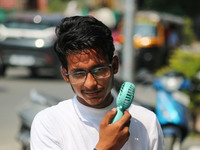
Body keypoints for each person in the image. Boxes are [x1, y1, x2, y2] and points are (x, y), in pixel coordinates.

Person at [30, 16, 165, 150]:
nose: (90, 84)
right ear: (65, 75)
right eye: (78, 74)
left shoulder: (146, 122)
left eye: (99, 70)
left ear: (115, 66)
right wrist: (105, 147)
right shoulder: (48, 123)